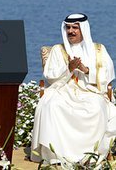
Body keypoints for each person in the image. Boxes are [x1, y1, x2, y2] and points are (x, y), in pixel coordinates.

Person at [31, 13, 116, 164]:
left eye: (75, 28)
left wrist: (87, 70)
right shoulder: (58, 50)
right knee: (52, 106)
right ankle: (56, 155)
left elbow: (108, 75)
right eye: (68, 27)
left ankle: (90, 155)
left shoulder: (98, 50)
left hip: (90, 91)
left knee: (96, 108)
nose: (71, 31)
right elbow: (50, 76)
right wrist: (68, 68)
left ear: (83, 29)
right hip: (63, 90)